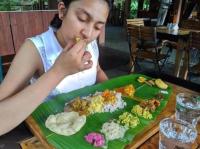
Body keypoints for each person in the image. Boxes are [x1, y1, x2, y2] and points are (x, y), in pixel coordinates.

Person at [0, 0, 110, 136]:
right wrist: (59, 71)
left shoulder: (91, 44)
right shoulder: (35, 50)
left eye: (98, 27)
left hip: (90, 131)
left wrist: (112, 96)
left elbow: (97, 71)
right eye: (82, 19)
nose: (88, 33)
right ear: (62, 11)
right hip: (52, 134)